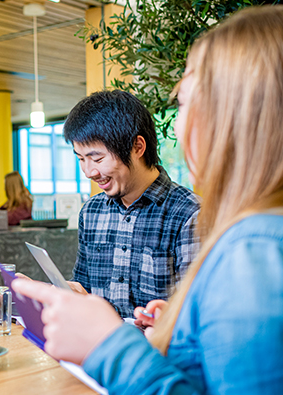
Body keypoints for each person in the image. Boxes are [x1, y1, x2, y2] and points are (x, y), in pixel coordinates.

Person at [13, 6, 283, 395]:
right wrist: (185, 326)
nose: (178, 126)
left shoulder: (256, 250)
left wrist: (109, 345)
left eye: (182, 102)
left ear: (235, 116)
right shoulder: (269, 234)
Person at [64, 90, 200, 317]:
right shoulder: (91, 211)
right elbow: (84, 286)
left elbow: (195, 313)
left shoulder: (189, 214)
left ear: (137, 147)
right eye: (81, 159)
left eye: (97, 158)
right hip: (98, 347)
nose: (89, 171)